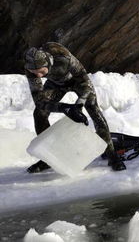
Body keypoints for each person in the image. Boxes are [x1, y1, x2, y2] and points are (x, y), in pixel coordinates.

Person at [24, 42, 126, 172]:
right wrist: (64, 108)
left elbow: (85, 82)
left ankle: (112, 156)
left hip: (78, 81)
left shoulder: (62, 56)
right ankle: (48, 157)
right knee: (39, 113)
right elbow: (39, 100)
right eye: (35, 73)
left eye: (42, 72)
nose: (39, 76)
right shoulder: (30, 68)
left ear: (49, 62)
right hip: (56, 84)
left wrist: (79, 105)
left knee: (94, 110)